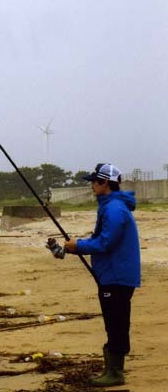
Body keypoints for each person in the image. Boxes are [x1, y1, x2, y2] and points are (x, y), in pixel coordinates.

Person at [62, 163, 140, 387]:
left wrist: (79, 245)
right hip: (112, 274)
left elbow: (106, 242)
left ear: (104, 182)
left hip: (116, 276)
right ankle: (112, 368)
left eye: (94, 182)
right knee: (114, 322)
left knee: (116, 323)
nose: (92, 186)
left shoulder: (115, 209)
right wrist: (76, 246)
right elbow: (103, 238)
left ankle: (115, 373)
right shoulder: (111, 206)